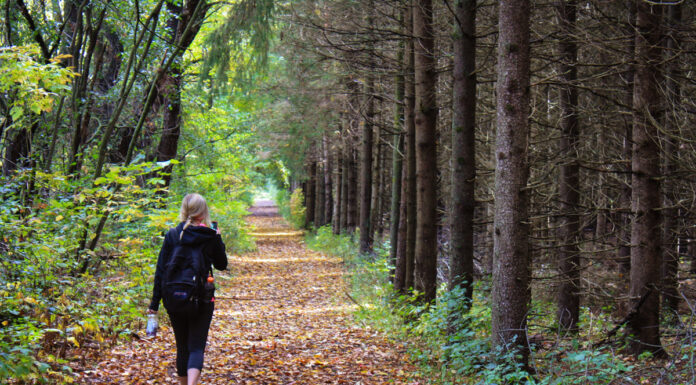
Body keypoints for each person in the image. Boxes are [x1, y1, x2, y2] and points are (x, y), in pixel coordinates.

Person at [148, 193, 227, 385]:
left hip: (174, 298)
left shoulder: (172, 234)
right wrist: (218, 239)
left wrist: (154, 304)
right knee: (196, 347)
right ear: (203, 211)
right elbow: (221, 264)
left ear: (184, 210)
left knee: (182, 347)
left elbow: (161, 271)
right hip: (202, 298)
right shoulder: (209, 236)